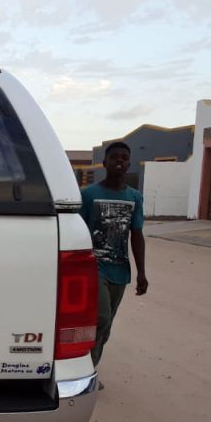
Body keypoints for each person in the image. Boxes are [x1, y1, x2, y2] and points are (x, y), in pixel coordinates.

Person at [79, 142, 148, 387]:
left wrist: (141, 273)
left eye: (124, 157)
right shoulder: (88, 195)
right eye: (114, 157)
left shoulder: (134, 197)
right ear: (105, 162)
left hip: (120, 269)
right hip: (93, 266)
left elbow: (137, 235)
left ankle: (89, 369)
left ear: (129, 163)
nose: (120, 160)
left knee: (105, 328)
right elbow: (75, 231)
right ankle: (83, 371)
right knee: (102, 316)